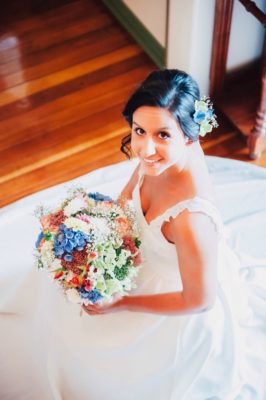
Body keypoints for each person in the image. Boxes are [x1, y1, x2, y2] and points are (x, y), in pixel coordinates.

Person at [0, 69, 265, 400]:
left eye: (163, 135)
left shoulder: (191, 221)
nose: (145, 148)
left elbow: (199, 300)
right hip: (134, 259)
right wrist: (92, 230)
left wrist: (121, 303)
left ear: (189, 136)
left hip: (172, 300)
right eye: (139, 130)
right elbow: (126, 200)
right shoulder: (158, 159)